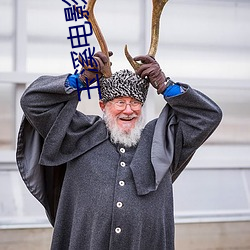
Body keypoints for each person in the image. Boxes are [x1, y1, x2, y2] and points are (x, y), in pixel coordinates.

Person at [16, 51, 222, 250]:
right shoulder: (79, 133)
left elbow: (209, 116)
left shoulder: (163, 139)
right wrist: (79, 81)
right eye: (120, 102)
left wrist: (164, 85)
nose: (128, 110)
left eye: (135, 103)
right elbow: (32, 102)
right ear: (103, 105)